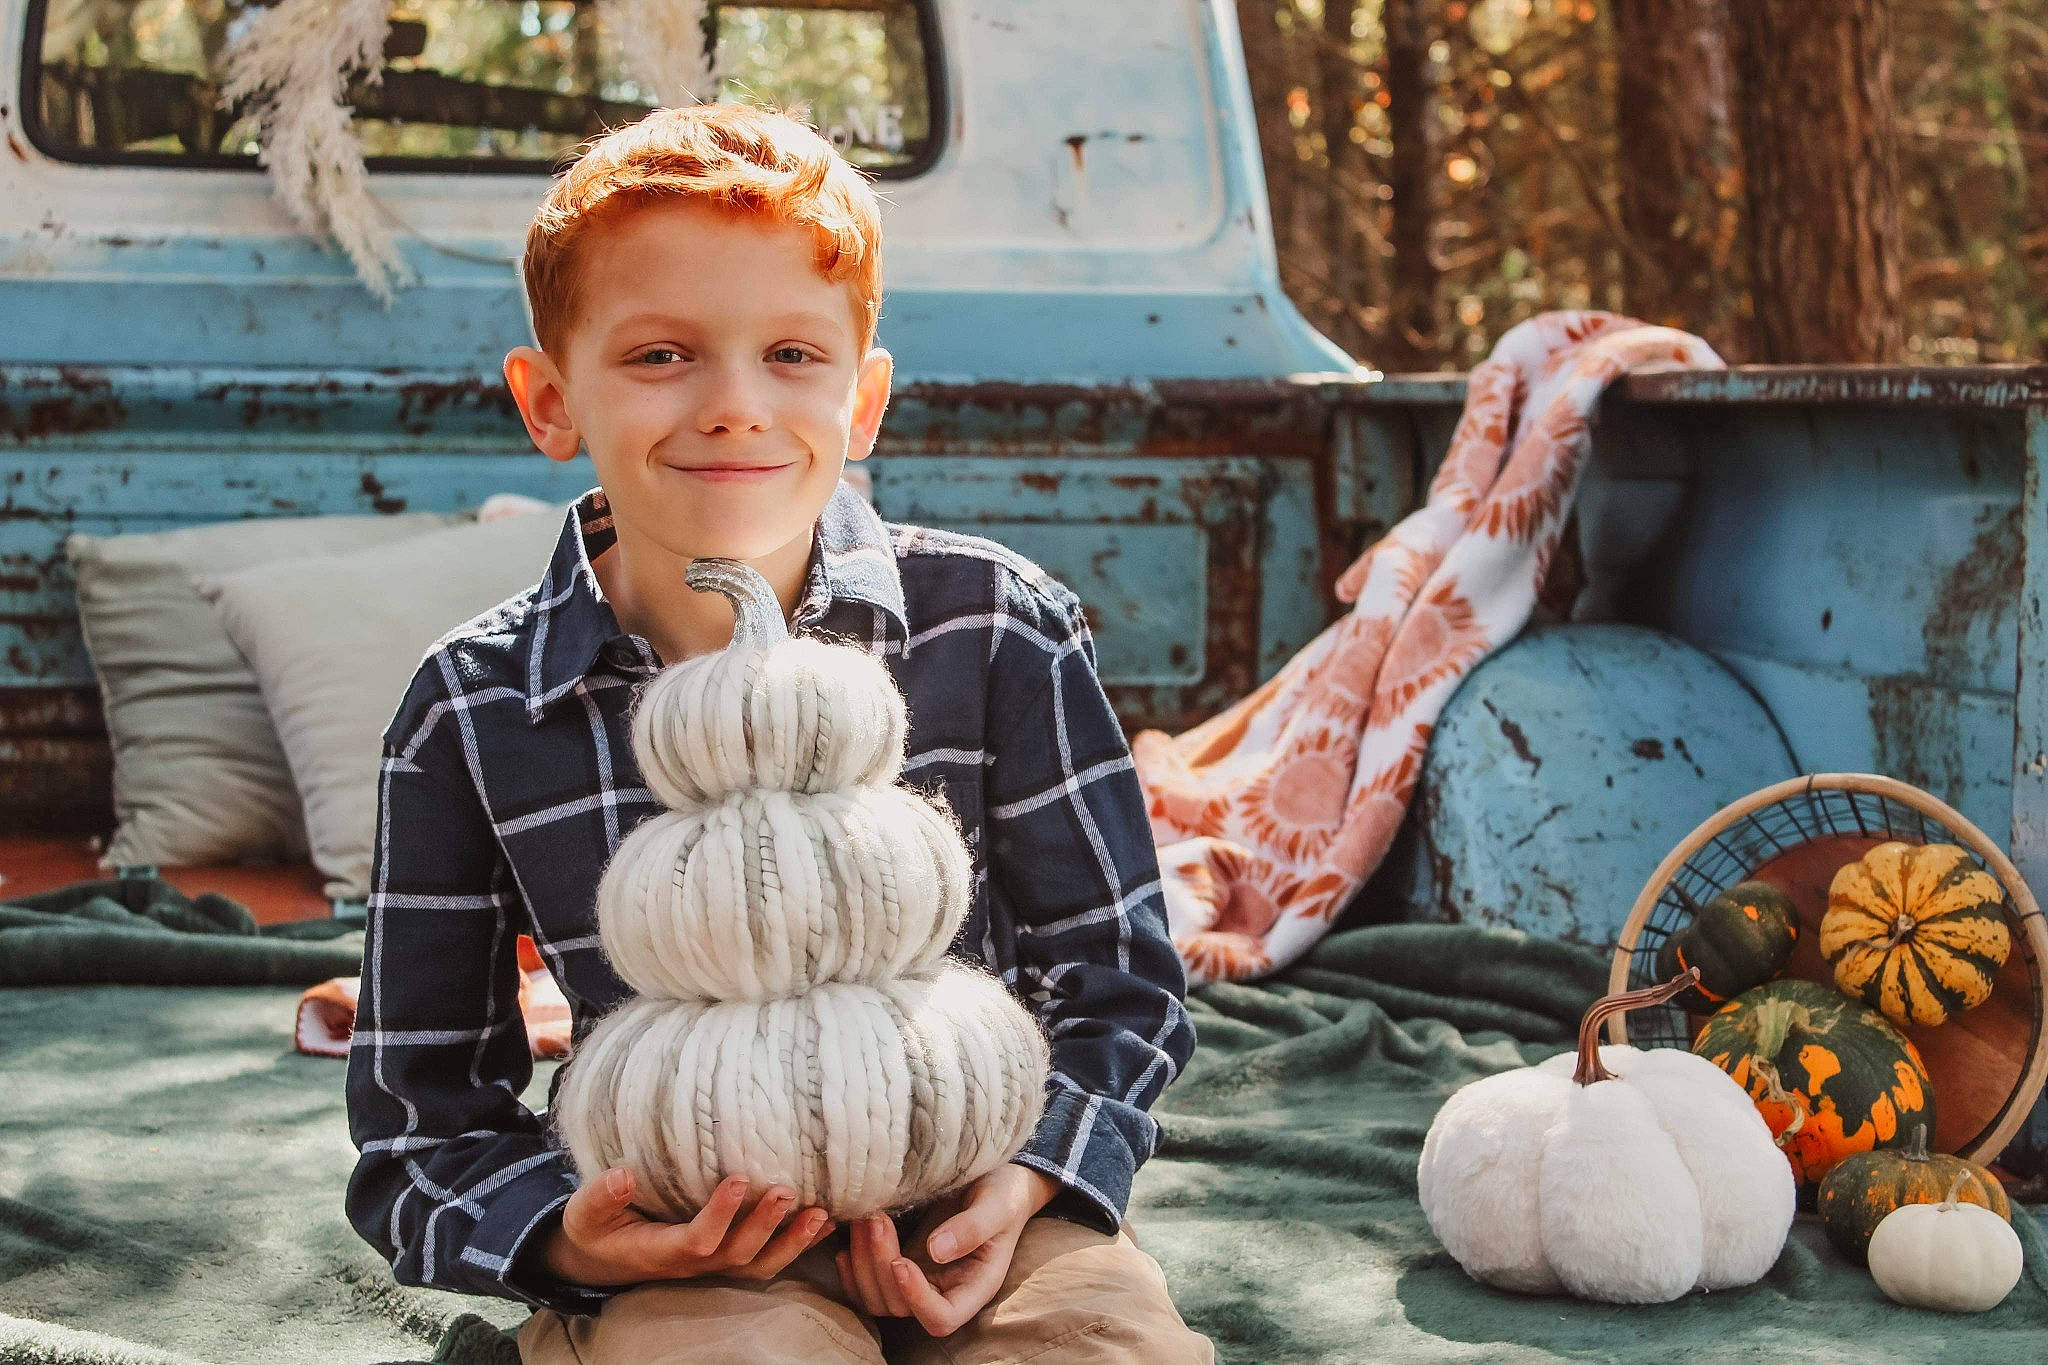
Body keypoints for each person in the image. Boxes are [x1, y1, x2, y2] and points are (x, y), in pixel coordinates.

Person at [343, 102, 1211, 1364]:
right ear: (549, 401)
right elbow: (419, 1122)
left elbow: (1119, 985)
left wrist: (1031, 1180)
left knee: (1101, 1352)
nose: (736, 406)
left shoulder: (997, 629)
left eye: (794, 355)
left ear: (863, 403)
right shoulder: (471, 708)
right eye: (659, 357)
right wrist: (582, 1245)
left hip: (974, 1191)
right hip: (688, 1223)